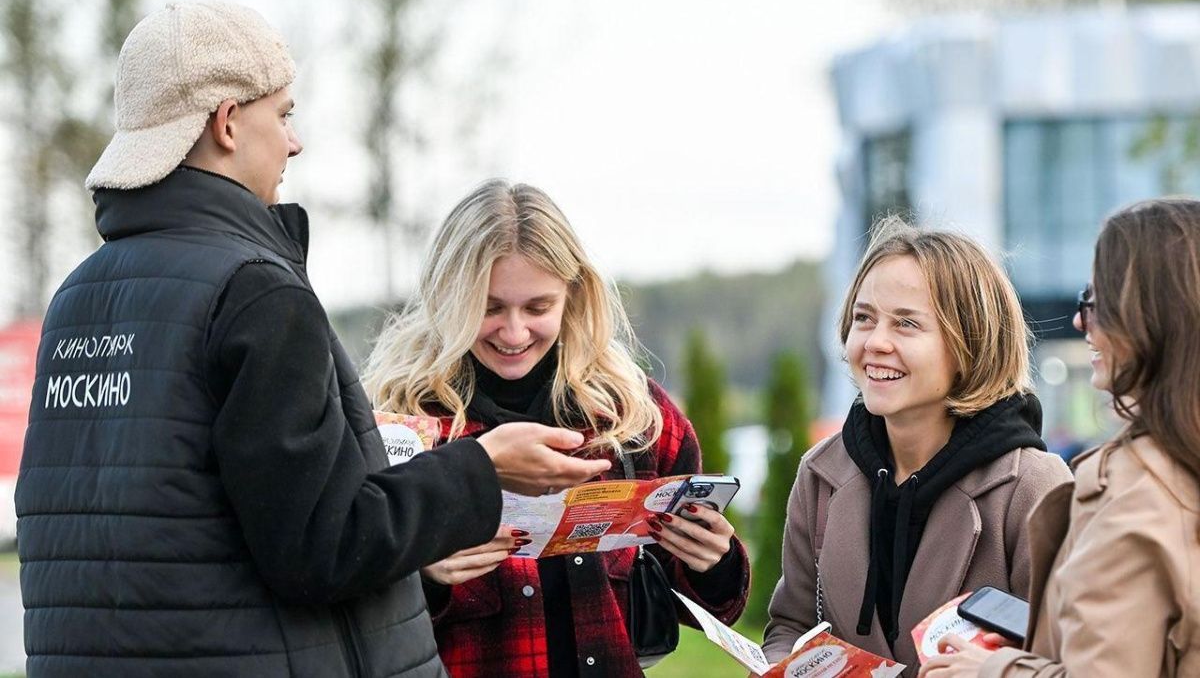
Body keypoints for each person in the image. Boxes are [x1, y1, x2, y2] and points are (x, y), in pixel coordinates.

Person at [15, 1, 608, 678]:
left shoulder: (78, 297)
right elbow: (325, 544)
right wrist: (482, 466)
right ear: (227, 122)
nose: (294, 143)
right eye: (284, 114)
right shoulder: (253, 291)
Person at [362, 180, 751, 677]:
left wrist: (714, 561)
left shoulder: (634, 416)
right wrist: (425, 579)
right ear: (446, 298)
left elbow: (705, 605)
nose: (514, 332)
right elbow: (347, 604)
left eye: (538, 308)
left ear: (573, 295)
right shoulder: (398, 428)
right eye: (489, 307)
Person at [761, 218, 1072, 675]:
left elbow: (1076, 657)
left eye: (906, 323)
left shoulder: (1033, 485)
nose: (875, 342)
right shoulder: (820, 473)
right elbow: (791, 625)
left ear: (971, 342)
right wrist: (779, 666)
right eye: (864, 318)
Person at [918, 199, 1200, 677]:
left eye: (1095, 301)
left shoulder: (1136, 492)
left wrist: (992, 669)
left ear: (1152, 316)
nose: (1079, 321)